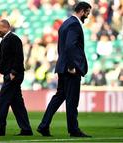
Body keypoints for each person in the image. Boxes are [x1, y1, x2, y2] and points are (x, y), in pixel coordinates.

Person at [37, 2, 92, 137]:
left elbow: (64, 47)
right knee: (72, 99)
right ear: (82, 11)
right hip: (70, 68)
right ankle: (73, 129)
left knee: (59, 96)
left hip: (62, 66)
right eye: (88, 12)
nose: (88, 15)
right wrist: (72, 66)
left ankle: (44, 125)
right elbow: (70, 46)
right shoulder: (74, 24)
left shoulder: (65, 23)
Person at [0, 19, 33, 136]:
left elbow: (19, 57)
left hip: (13, 76)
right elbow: (2, 57)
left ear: (6, 27)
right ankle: (26, 130)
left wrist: (13, 72)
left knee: (2, 102)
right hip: (10, 75)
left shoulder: (14, 39)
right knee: (17, 104)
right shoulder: (4, 40)